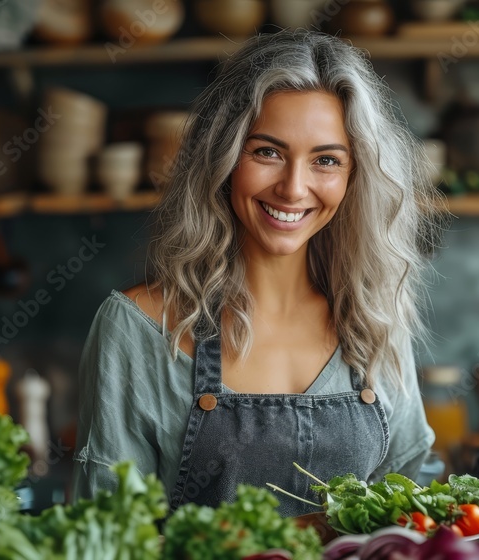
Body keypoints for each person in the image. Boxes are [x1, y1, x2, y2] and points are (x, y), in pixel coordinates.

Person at [71, 29, 443, 517]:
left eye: (326, 160)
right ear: (223, 158)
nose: (293, 188)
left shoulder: (376, 320)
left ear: (355, 178)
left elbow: (406, 514)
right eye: (267, 152)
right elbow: (106, 534)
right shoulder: (139, 328)